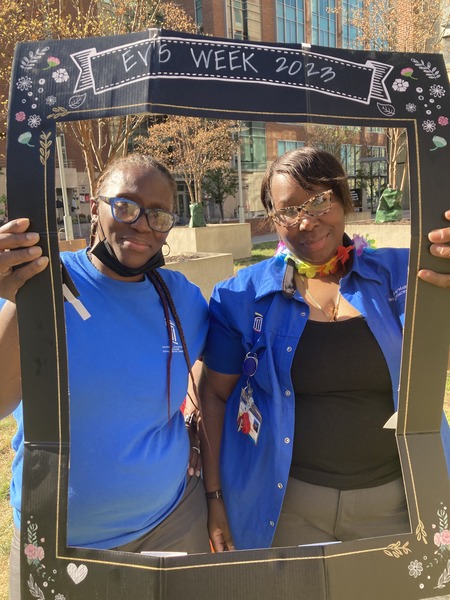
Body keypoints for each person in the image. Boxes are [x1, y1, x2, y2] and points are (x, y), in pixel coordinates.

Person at [198, 147, 450, 552]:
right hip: (290, 508)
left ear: (343, 197)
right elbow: (213, 394)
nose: (306, 221)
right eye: (288, 210)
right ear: (273, 218)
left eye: (319, 200)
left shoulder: (405, 274)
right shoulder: (241, 297)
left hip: (398, 503)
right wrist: (214, 498)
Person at [0, 154, 211, 600]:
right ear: (93, 205)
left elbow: (215, 359)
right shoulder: (38, 284)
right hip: (59, 538)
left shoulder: (182, 300)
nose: (141, 225)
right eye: (126, 206)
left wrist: (195, 412)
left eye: (158, 215)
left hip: (172, 526)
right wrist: (20, 300)